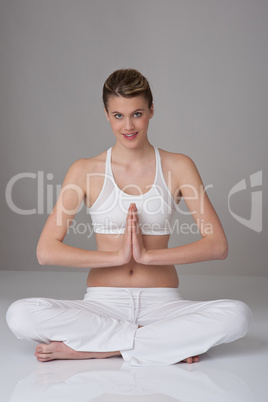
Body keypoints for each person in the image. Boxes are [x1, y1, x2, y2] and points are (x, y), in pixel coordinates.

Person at [6, 68, 252, 366]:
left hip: (162, 304)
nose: (128, 125)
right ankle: (159, 343)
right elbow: (46, 251)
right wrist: (116, 257)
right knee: (19, 315)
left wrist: (148, 256)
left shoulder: (179, 166)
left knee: (239, 316)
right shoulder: (84, 170)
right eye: (118, 116)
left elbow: (217, 245)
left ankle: (101, 348)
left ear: (151, 110)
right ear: (107, 115)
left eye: (137, 113)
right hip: (102, 304)